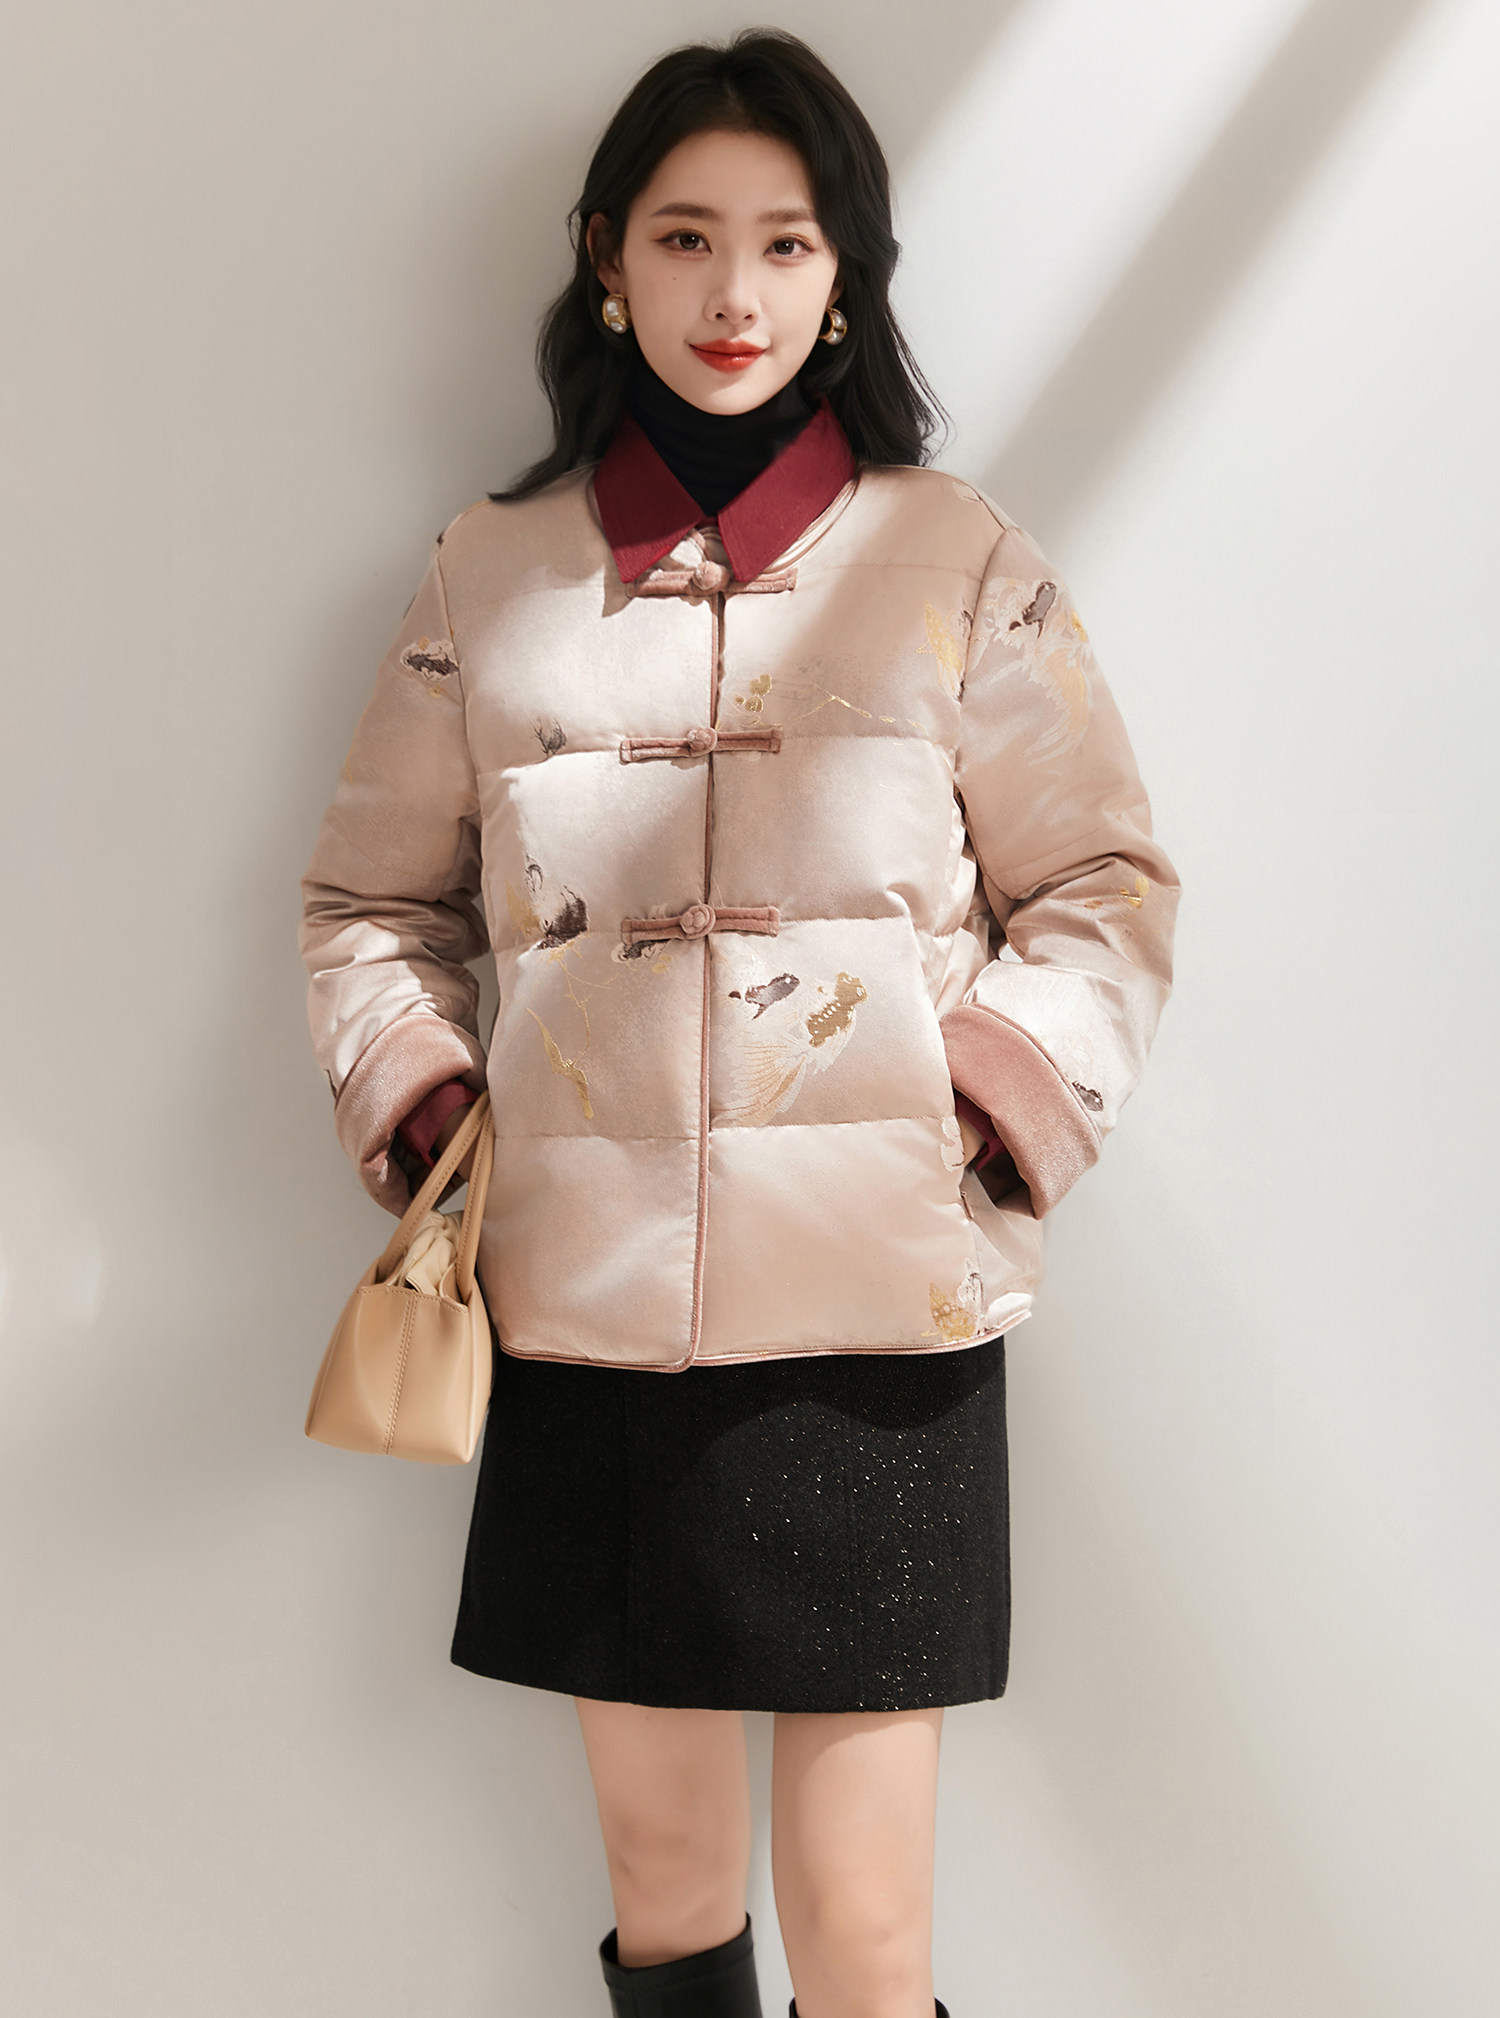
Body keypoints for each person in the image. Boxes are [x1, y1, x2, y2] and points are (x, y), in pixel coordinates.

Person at [300, 29, 1177, 2018]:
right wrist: (437, 1112)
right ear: (607, 261)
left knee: (866, 1940)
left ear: (846, 276)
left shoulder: (957, 560)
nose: (733, 292)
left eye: (786, 243)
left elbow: (1105, 886)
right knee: (670, 1893)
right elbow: (368, 904)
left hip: (882, 1330)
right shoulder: (491, 574)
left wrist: (975, 1108)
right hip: (587, 1316)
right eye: (686, 237)